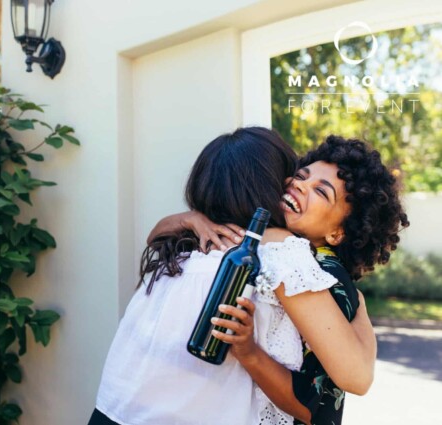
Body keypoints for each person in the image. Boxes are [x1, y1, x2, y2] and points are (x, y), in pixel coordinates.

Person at [88, 128, 403, 424]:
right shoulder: (279, 251)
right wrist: (360, 306)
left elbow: (349, 379)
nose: (300, 185)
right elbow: (356, 378)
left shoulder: (187, 248)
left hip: (111, 410)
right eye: (300, 176)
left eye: (321, 190)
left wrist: (189, 218)